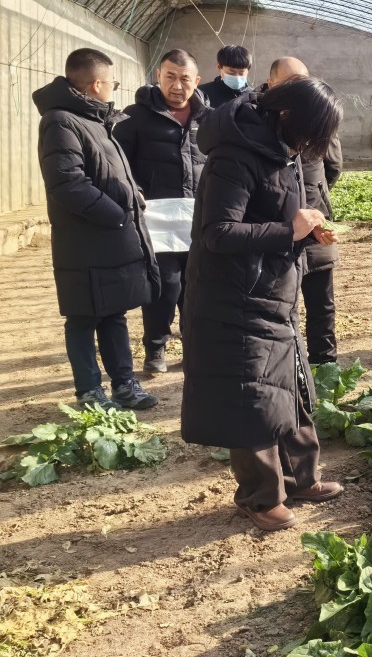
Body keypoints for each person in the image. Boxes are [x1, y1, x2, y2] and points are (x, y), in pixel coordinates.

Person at [180, 77, 343, 531]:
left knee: (289, 385)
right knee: (252, 397)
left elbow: (275, 213)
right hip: (234, 295)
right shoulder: (234, 156)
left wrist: (306, 229)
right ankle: (259, 496)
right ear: (286, 115)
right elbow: (218, 231)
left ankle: (300, 478)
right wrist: (289, 230)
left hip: (274, 290)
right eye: (312, 132)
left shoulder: (281, 150)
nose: (312, 145)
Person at [34, 48, 159, 410]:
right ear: (97, 84)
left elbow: (109, 171)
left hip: (109, 238)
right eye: (112, 83)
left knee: (113, 311)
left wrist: (133, 193)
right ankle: (89, 391)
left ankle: (124, 384)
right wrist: (117, 214)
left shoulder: (95, 120)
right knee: (83, 318)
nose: (112, 89)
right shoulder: (61, 121)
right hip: (85, 241)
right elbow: (67, 183)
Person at [114, 49, 209, 374]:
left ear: (196, 81)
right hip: (157, 221)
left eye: (185, 79)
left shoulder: (208, 119)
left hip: (199, 219)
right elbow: (119, 164)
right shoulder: (135, 117)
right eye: (170, 77)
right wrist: (136, 193)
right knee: (165, 286)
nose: (177, 86)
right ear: (158, 76)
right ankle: (155, 347)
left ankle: (194, 347)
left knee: (196, 287)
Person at [262, 57, 344, 364]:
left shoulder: (318, 114)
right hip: (278, 228)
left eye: (302, 81)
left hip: (316, 223)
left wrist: (314, 197)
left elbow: (333, 166)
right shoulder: (260, 120)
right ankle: (288, 366)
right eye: (290, 82)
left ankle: (324, 365)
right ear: (271, 84)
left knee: (322, 302)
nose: (299, 89)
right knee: (280, 302)